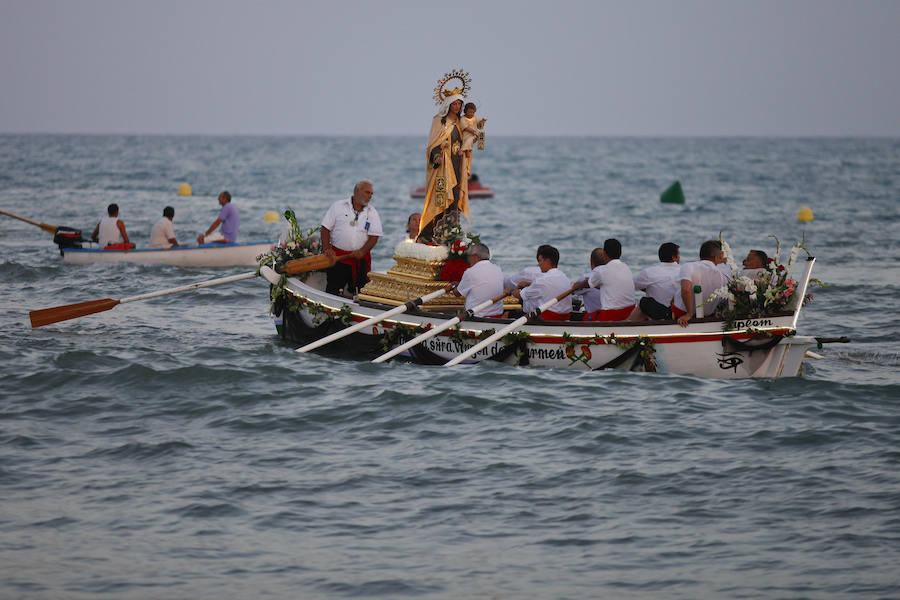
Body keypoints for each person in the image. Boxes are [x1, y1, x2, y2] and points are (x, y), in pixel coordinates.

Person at [418, 95, 469, 242]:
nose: (458, 106)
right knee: (440, 198)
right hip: (443, 168)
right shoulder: (439, 120)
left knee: (454, 198)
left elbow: (469, 139)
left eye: (460, 103)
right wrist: (437, 156)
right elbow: (433, 144)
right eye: (455, 103)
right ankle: (430, 234)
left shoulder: (461, 122)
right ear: (448, 104)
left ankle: (451, 234)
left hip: (458, 166)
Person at [321, 180, 383, 297]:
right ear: (356, 191)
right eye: (367, 192)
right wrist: (326, 249)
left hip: (361, 260)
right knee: (333, 291)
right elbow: (325, 228)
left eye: (371, 194)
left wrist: (362, 252)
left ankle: (357, 315)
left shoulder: (372, 212)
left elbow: (374, 237)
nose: (370, 196)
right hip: (338, 258)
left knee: (361, 293)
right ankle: (332, 314)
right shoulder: (338, 206)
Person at [673, 240, 730, 327]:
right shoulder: (724, 276)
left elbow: (686, 289)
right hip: (708, 316)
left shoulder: (689, 266)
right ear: (719, 256)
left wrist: (689, 314)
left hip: (682, 314)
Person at [574, 239, 635, 321]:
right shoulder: (627, 268)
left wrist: (578, 285)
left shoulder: (602, 271)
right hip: (629, 312)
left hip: (611, 315)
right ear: (620, 253)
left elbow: (587, 284)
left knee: (584, 318)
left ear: (605, 254)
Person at [508, 245, 573, 321]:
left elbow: (520, 295)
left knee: (508, 314)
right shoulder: (565, 278)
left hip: (547, 319)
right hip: (565, 318)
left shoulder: (542, 280)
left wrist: (511, 291)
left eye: (540, 261)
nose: (539, 264)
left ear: (547, 261)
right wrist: (530, 284)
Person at [628, 242, 681, 321]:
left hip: (660, 314)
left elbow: (631, 285)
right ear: (674, 258)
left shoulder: (649, 272)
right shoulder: (684, 271)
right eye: (679, 255)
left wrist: (650, 289)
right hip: (679, 312)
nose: (679, 258)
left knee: (643, 302)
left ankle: (629, 327)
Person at [455, 242, 504, 318]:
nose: (468, 259)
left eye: (469, 256)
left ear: (477, 257)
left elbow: (458, 293)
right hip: (498, 315)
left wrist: (454, 286)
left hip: (477, 316)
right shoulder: (498, 269)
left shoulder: (471, 272)